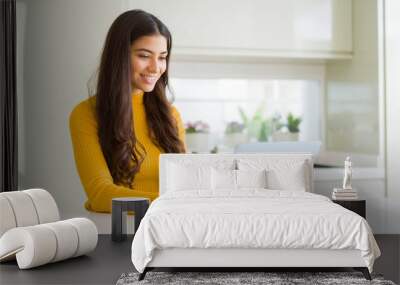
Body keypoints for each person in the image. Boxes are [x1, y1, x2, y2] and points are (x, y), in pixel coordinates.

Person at [69, 10, 186, 213]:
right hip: (117, 231)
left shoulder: (171, 116)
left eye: (162, 57)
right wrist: (172, 204)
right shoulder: (86, 114)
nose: (155, 67)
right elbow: (100, 195)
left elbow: (187, 186)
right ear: (119, 55)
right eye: (144, 56)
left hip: (171, 228)